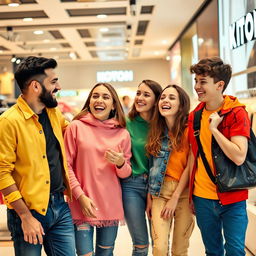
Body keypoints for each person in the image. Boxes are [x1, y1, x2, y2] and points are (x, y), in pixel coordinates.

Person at [0, 56, 76, 256]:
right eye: (53, 81)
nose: (58, 86)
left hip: (60, 205)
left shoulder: (53, 113)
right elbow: (2, 174)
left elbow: (73, 134)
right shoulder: (9, 122)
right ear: (35, 86)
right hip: (27, 211)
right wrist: (25, 216)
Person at [188, 57, 250, 256]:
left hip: (233, 197)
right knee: (212, 252)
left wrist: (215, 130)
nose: (197, 86)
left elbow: (239, 156)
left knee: (235, 251)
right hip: (203, 198)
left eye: (203, 82)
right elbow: (194, 156)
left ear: (219, 85)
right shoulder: (195, 116)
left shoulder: (236, 113)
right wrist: (191, 196)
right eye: (196, 81)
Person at [64, 82, 132, 256]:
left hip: (110, 205)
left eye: (105, 96)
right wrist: (80, 196)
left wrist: (120, 163)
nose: (99, 100)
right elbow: (66, 166)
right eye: (95, 96)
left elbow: (126, 173)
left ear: (113, 104)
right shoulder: (76, 127)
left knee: (105, 254)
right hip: (82, 204)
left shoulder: (122, 133)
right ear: (89, 101)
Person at [146, 85, 195, 256]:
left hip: (184, 193)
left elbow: (191, 165)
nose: (165, 100)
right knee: (159, 248)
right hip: (159, 192)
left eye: (172, 98)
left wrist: (175, 197)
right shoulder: (156, 131)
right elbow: (151, 166)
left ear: (181, 105)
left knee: (180, 249)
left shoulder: (190, 130)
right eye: (163, 97)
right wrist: (149, 197)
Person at [121, 79, 162, 256]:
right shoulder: (125, 123)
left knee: (159, 242)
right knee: (141, 244)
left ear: (156, 100)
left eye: (146, 94)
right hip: (132, 185)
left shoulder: (162, 126)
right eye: (138, 93)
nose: (140, 98)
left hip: (158, 187)